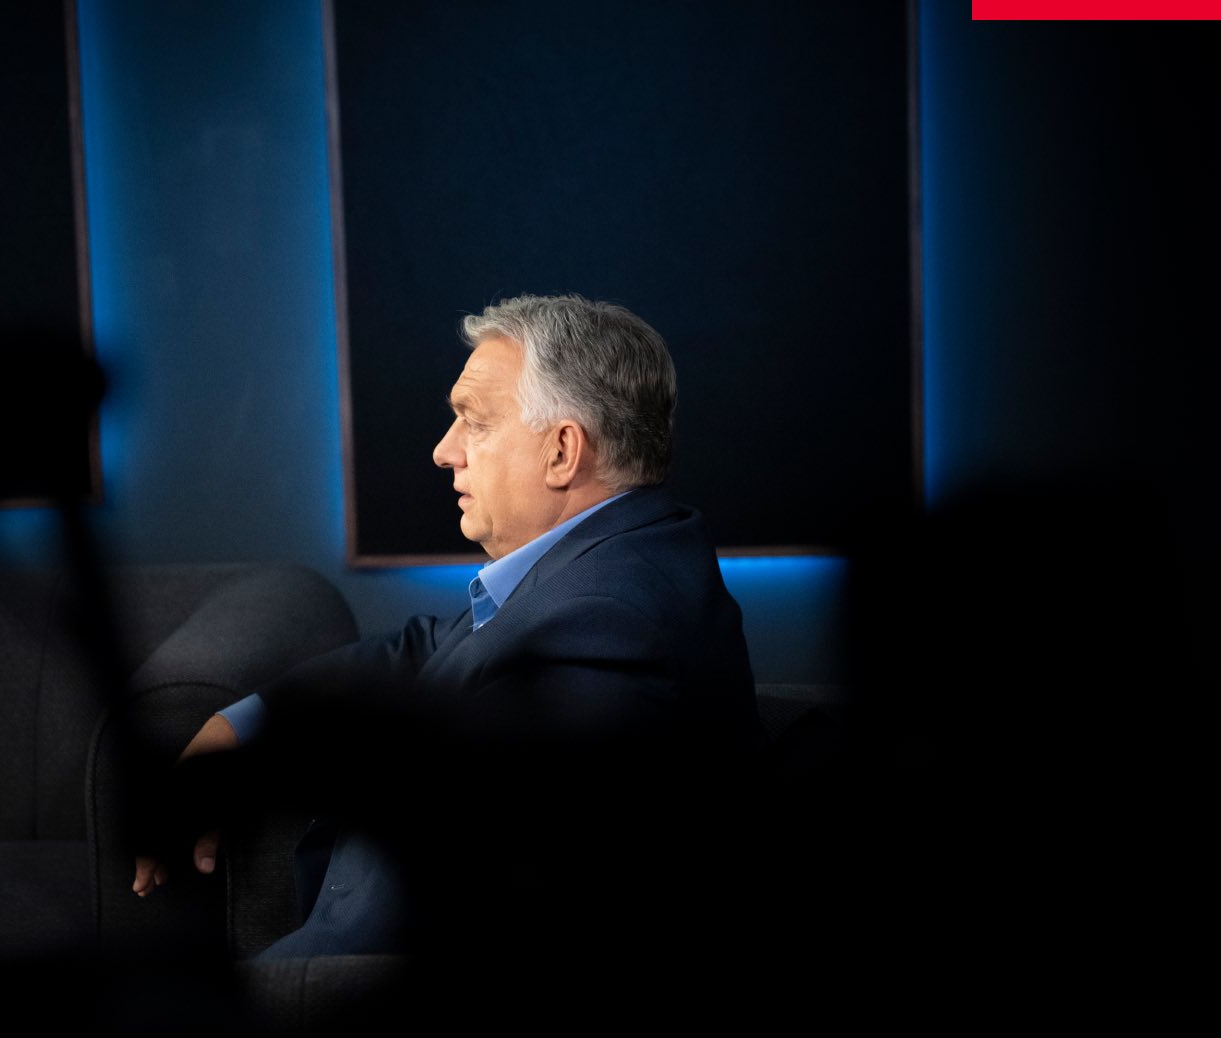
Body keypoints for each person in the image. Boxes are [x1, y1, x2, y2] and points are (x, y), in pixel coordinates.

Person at [130, 293, 758, 957]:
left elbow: (423, 928)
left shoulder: (608, 623)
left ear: (562, 452)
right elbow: (428, 645)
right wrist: (239, 726)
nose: (442, 451)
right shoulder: (613, 561)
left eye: (474, 422)